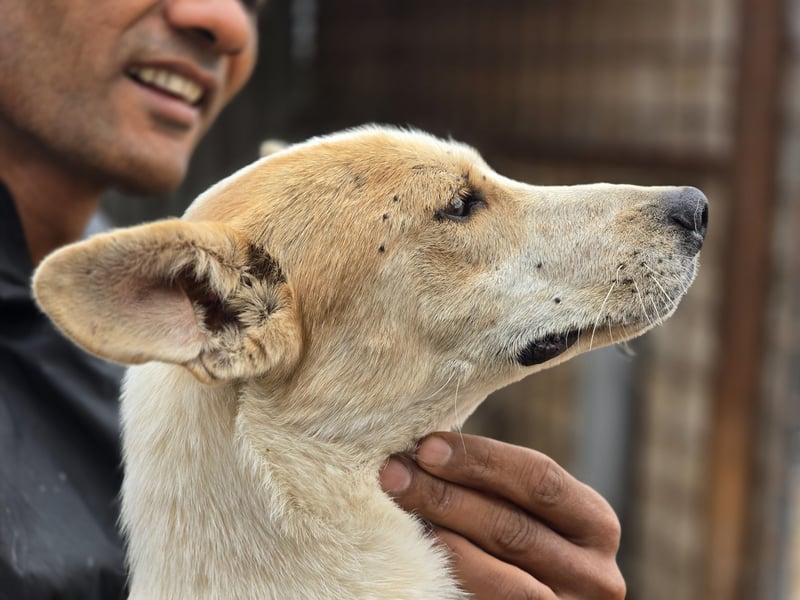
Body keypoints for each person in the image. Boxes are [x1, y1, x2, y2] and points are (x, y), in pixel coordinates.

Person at [0, 1, 625, 598]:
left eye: (253, 1)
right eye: (459, 208)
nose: (226, 21)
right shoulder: (171, 306)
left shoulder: (155, 351)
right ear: (213, 308)